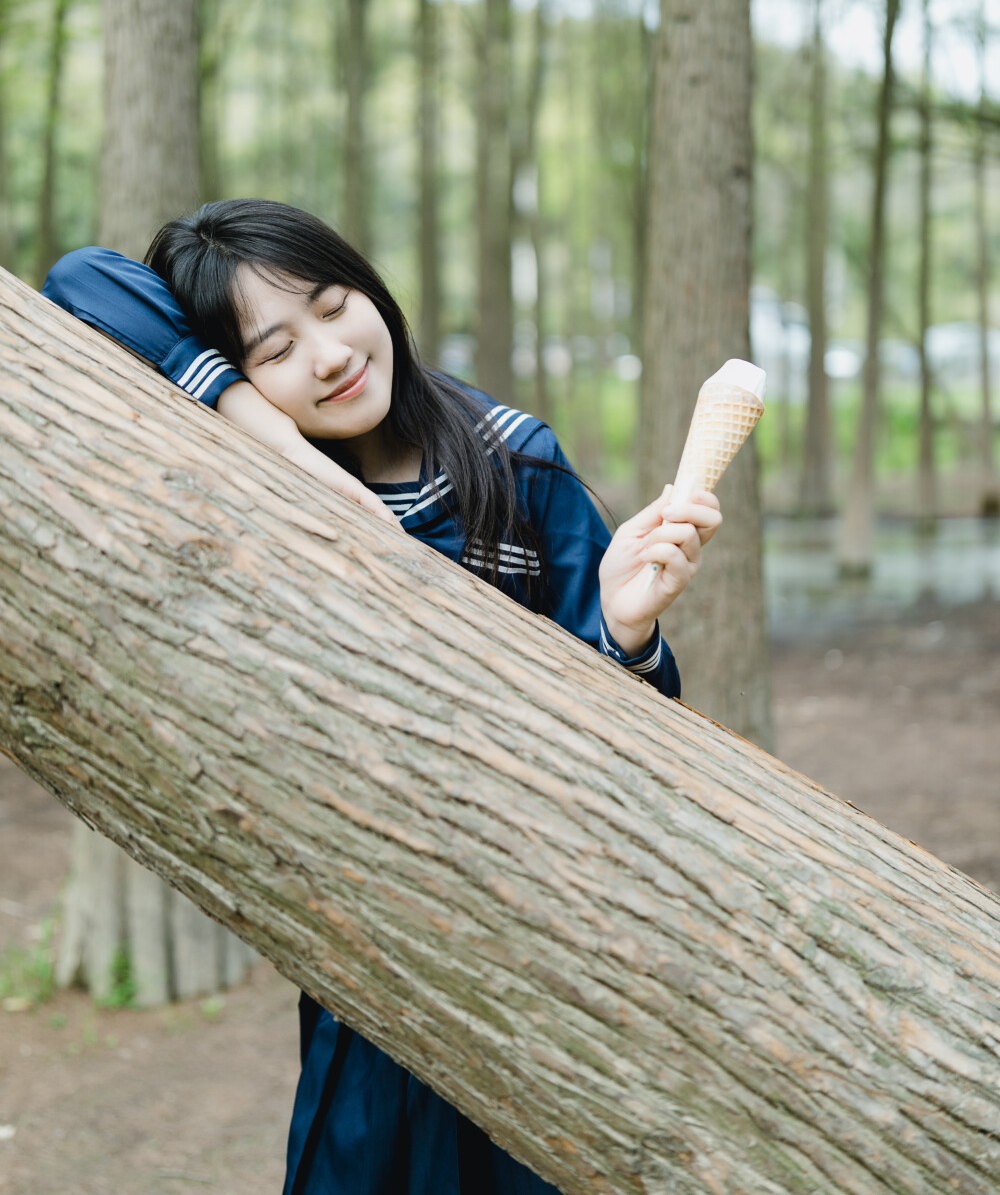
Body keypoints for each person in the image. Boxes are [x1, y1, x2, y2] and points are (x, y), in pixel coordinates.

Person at [43, 199, 721, 1195]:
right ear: (232, 373)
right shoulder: (244, 482)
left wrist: (622, 631)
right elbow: (76, 279)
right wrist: (271, 446)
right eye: (274, 349)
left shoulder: (511, 462)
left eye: (332, 303)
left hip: (539, 959)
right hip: (369, 956)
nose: (327, 354)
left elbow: (632, 746)